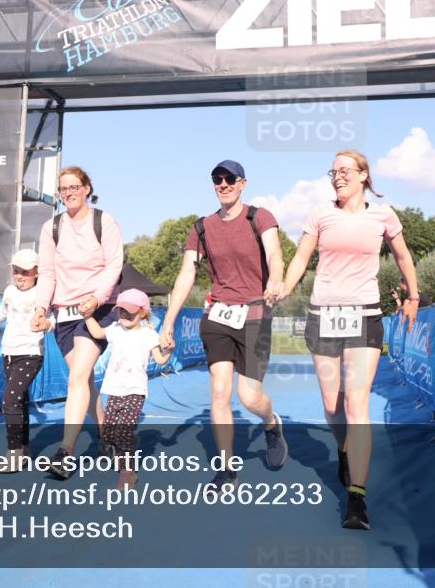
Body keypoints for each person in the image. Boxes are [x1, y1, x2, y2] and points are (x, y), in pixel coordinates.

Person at [279, 149, 420, 530]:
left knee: (357, 404)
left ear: (363, 176)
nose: (337, 177)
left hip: (363, 315)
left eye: (344, 171)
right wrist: (282, 288)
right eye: (333, 172)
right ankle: (343, 447)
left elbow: (404, 257)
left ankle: (357, 499)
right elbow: (300, 259)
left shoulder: (383, 215)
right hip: (323, 315)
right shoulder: (320, 214)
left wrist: (413, 296)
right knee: (332, 404)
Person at [160, 159, 288, 491]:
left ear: (243, 183)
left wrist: (276, 278)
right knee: (219, 391)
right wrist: (168, 323)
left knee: (249, 397)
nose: (223, 184)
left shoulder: (259, 217)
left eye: (229, 178)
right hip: (217, 315)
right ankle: (226, 467)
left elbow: (275, 253)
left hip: (255, 314)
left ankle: (271, 423)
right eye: (217, 179)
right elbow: (187, 274)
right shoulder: (201, 227)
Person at [33, 166, 124, 479]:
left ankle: (65, 452)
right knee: (82, 380)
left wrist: (97, 299)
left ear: (87, 188)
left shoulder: (104, 221)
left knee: (78, 376)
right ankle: (106, 434)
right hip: (64, 312)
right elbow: (46, 273)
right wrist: (40, 307)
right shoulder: (52, 227)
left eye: (74, 186)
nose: (68, 193)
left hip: (97, 309)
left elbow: (114, 266)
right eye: (63, 189)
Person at [84, 288, 172, 490]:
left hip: (135, 390)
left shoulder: (149, 335)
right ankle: (127, 442)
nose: (124, 315)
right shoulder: (115, 329)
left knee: (123, 432)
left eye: (129, 311)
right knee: (109, 432)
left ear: (142, 312)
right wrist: (87, 316)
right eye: (121, 310)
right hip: (114, 389)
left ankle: (128, 472)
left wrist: (170, 350)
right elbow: (97, 332)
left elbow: (160, 359)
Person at [0, 248, 56, 473]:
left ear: (37, 272)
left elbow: (53, 320)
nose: (19, 276)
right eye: (16, 270)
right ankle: (25, 449)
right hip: (8, 352)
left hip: (31, 353)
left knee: (9, 401)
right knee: (19, 402)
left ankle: (14, 454)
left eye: (25, 272)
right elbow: (1, 314)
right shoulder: (9, 291)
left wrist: (46, 324)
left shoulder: (43, 294)